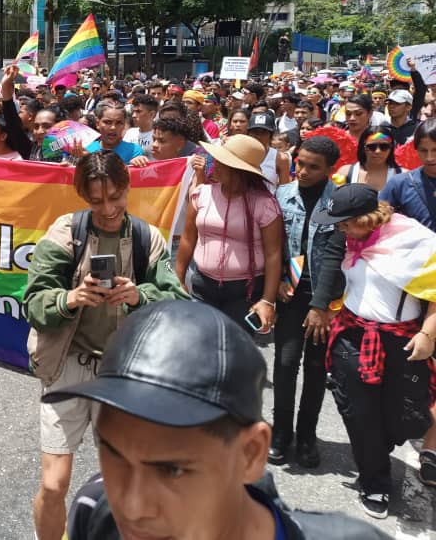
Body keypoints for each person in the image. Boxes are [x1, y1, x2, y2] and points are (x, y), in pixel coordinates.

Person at [49, 301, 393, 540]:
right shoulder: (93, 511)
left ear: (251, 454)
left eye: (172, 470)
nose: (132, 506)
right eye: (113, 453)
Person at [23, 152, 187, 540]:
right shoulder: (66, 233)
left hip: (122, 374)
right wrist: (70, 299)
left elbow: (179, 304)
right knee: (53, 484)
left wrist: (139, 296)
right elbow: (34, 304)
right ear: (83, 196)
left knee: (124, 481)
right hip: (67, 367)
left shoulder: (147, 238)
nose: (109, 209)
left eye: (116, 197)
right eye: (96, 201)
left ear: (127, 186)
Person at [312, 185, 436, 519]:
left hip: (401, 342)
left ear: (365, 219)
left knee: (402, 418)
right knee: (360, 414)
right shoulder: (351, 240)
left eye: (344, 223)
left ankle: (377, 451)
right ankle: (375, 482)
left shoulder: (416, 242)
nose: (340, 230)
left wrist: (427, 334)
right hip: (353, 337)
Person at [271, 135, 346, 469]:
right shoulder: (282, 194)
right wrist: (279, 281)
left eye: (313, 167)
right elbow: (275, 246)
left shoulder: (338, 202)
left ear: (330, 169)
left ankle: (306, 436)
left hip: (323, 300)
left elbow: (334, 255)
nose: (302, 171)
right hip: (290, 294)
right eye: (300, 163)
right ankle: (281, 433)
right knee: (285, 364)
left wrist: (320, 306)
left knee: (316, 370)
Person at [176, 134, 283, 331]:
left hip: (244, 293)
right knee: (200, 340)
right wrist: (178, 279)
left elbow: (273, 254)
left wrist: (267, 300)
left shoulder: (265, 205)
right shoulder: (201, 194)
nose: (214, 165)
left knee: (234, 344)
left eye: (221, 162)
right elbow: (188, 238)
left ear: (239, 171)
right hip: (202, 286)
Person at [380, 118, 436, 486]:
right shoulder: (401, 184)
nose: (430, 157)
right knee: (410, 364)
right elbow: (378, 224)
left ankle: (431, 448)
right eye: (424, 150)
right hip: (409, 291)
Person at [338, 123, 402, 191]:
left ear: (391, 148)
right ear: (363, 148)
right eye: (371, 147)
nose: (378, 151)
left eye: (384, 146)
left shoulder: (403, 176)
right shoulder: (345, 173)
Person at [248, 111, 291, 192]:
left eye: (263, 132)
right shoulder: (240, 153)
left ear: (270, 135)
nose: (258, 136)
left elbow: (284, 191)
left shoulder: (281, 159)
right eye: (255, 132)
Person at [123, 94, 157, 159]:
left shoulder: (159, 136)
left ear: (152, 114)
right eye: (133, 111)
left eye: (138, 112)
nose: (134, 115)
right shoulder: (130, 133)